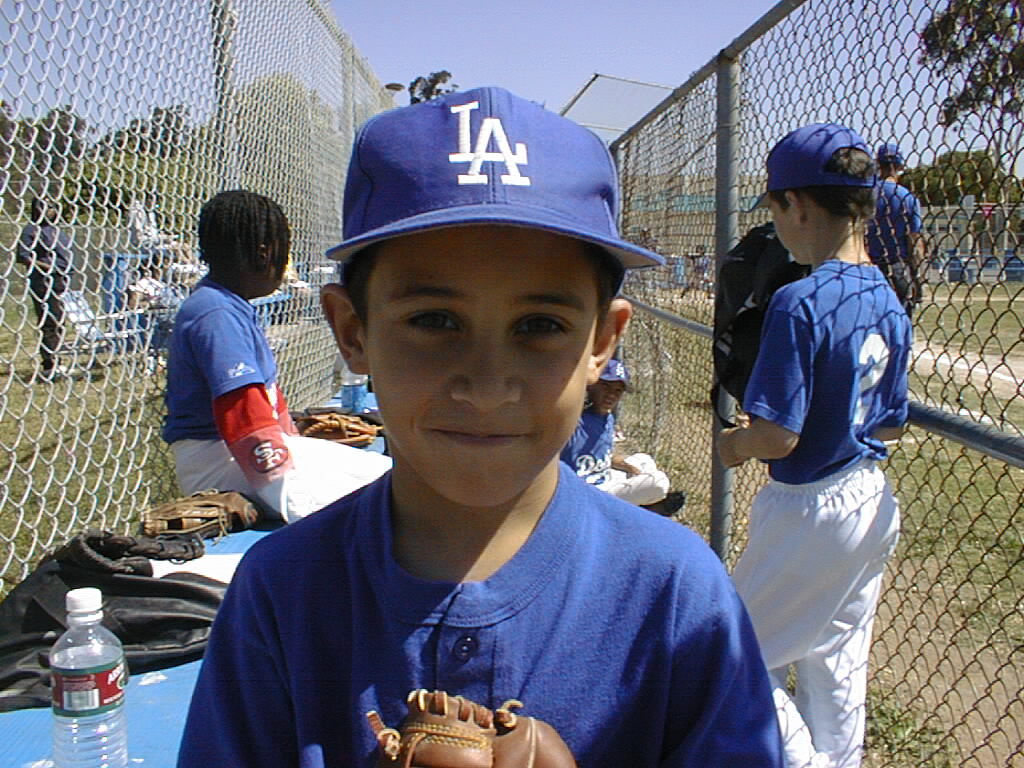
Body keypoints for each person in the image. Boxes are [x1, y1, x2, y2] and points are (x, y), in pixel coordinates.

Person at [177, 87, 783, 767]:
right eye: (434, 321)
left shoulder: (676, 595)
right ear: (353, 331)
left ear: (602, 343)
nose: (488, 387)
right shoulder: (280, 595)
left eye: (540, 326)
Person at [718, 123, 912, 768]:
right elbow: (890, 424)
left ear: (797, 205)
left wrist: (736, 445)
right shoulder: (887, 296)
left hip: (811, 507)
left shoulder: (800, 299)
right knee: (837, 660)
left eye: (775, 211)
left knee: (734, 657)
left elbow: (779, 436)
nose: (776, 228)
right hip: (871, 496)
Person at [161, 189, 391, 524]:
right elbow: (241, 412)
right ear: (264, 253)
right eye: (285, 252)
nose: (285, 264)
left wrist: (298, 449)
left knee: (385, 475)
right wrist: (291, 494)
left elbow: (268, 399)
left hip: (240, 453)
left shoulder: (230, 303)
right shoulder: (215, 313)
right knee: (369, 502)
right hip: (219, 461)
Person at [561, 357, 672, 508]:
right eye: (605, 386)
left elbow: (606, 457)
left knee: (644, 460)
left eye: (617, 390)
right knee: (659, 482)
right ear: (591, 386)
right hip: (587, 494)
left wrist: (628, 467)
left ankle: (641, 504)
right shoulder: (575, 420)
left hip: (605, 480)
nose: (611, 394)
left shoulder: (607, 419)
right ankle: (644, 507)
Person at [16, 196, 73, 380]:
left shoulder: (56, 230)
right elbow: (23, 256)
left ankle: (59, 358)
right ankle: (50, 364)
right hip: (44, 281)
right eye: (47, 207)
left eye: (53, 207)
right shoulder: (31, 230)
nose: (51, 210)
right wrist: (47, 267)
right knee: (49, 321)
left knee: (60, 321)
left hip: (62, 279)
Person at [865, 142, 924, 317]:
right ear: (900, 166)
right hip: (897, 267)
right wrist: (917, 277)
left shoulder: (866, 195)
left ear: (877, 164)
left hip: (868, 266)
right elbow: (914, 240)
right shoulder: (908, 197)